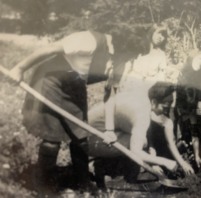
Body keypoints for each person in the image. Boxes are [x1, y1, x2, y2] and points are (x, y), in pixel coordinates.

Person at [7, 30, 119, 195]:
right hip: (52, 79)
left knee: (81, 136)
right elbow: (49, 49)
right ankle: (44, 185)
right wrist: (19, 69)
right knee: (52, 137)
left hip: (74, 83)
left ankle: (84, 184)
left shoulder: (120, 57)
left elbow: (110, 93)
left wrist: (109, 129)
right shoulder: (87, 41)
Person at [88, 82, 194, 188]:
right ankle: (109, 169)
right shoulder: (142, 115)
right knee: (141, 143)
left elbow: (149, 129)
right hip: (94, 138)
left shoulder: (145, 97)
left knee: (140, 140)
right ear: (154, 102)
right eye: (165, 107)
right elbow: (136, 152)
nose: (166, 111)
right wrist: (166, 162)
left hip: (96, 127)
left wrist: (152, 156)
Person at [118, 23, 168, 92]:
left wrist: (159, 90)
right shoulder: (140, 47)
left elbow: (161, 74)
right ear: (152, 32)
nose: (160, 37)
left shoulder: (161, 55)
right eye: (158, 33)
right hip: (131, 85)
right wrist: (122, 80)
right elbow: (128, 64)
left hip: (148, 88)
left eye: (163, 35)